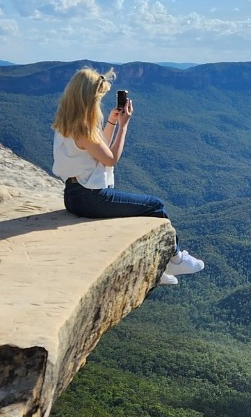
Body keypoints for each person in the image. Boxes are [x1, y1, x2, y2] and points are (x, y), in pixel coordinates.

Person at [52, 66, 204, 286]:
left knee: (138, 209)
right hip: (91, 197)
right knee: (155, 206)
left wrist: (112, 122)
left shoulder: (67, 125)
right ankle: (176, 258)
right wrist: (123, 126)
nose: (99, 101)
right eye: (98, 96)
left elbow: (98, 149)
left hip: (72, 196)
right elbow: (110, 158)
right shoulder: (83, 129)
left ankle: (157, 266)